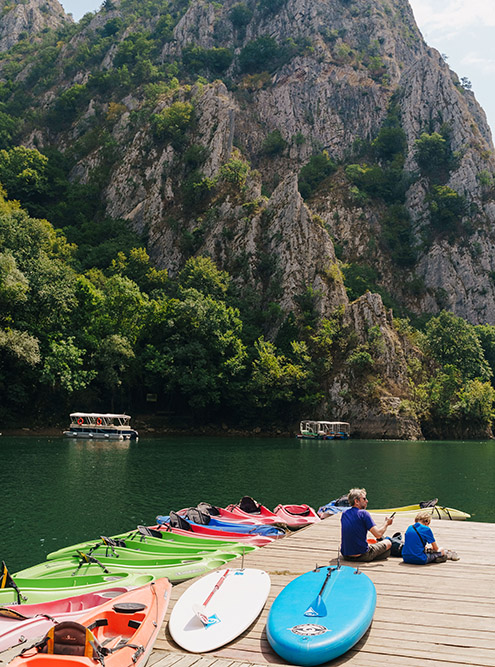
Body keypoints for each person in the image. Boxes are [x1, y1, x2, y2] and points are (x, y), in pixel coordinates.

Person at [340, 488, 394, 562]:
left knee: (372, 544)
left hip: (346, 555)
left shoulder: (344, 514)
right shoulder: (363, 514)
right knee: (388, 542)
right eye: (364, 499)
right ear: (356, 501)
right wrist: (386, 523)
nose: (367, 501)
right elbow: (378, 534)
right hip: (362, 555)